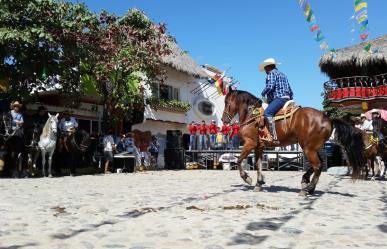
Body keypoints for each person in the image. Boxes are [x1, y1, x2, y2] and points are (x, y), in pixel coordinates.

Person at [259, 58, 293, 143]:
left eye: (265, 69)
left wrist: (262, 93)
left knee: (267, 113)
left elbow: (270, 87)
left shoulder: (271, 73)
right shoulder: (283, 74)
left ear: (268, 67)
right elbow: (290, 90)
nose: (265, 71)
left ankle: (273, 137)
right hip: (287, 98)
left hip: (278, 98)